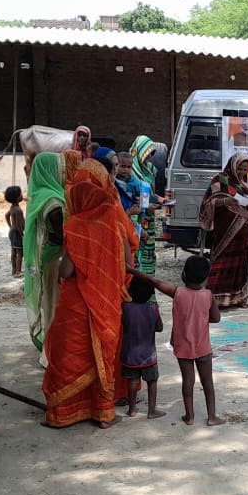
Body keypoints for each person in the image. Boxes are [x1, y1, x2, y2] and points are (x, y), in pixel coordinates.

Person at [42, 159, 136, 429]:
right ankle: (103, 414)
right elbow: (128, 264)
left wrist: (65, 253)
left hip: (76, 304)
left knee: (69, 356)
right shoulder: (116, 223)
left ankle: (63, 415)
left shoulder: (75, 228)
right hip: (106, 303)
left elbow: (66, 271)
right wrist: (111, 286)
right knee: (101, 355)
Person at [155, 255, 224, 426]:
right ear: (205, 278)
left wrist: (132, 270)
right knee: (207, 382)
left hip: (183, 347)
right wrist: (202, 317)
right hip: (203, 347)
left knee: (188, 381)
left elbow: (155, 282)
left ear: (183, 274)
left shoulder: (177, 293)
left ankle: (190, 417)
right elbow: (216, 318)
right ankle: (212, 417)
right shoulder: (208, 295)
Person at [200, 152, 248, 308]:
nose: (242, 172)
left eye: (245, 169)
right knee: (222, 262)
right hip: (225, 230)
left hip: (243, 230)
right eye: (239, 168)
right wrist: (225, 201)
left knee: (240, 264)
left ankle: (238, 299)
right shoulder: (220, 180)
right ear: (232, 166)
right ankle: (215, 300)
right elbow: (208, 202)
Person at [23, 152, 69, 357]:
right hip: (57, 257)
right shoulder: (53, 201)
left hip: (48, 255)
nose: (63, 173)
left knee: (50, 304)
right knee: (56, 305)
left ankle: (51, 349)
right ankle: (54, 353)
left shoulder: (39, 194)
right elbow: (61, 235)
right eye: (60, 169)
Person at [120, 274, 164, 419]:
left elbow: (122, 323)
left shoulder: (125, 307)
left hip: (130, 353)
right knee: (152, 381)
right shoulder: (153, 308)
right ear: (151, 293)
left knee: (132, 381)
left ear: (131, 290)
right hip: (148, 355)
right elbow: (159, 328)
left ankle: (132, 409)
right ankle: (151, 411)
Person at [130, 134, 165, 274]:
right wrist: (145, 207)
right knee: (136, 247)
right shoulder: (129, 170)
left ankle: (147, 280)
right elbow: (129, 197)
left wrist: (162, 200)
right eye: (146, 153)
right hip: (135, 217)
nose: (148, 157)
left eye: (151, 154)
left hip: (148, 218)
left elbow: (152, 193)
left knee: (148, 249)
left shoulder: (150, 169)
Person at [4, 185, 25, 277]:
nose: (22, 195)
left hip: (12, 232)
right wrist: (22, 234)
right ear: (17, 198)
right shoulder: (18, 210)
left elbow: (6, 215)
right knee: (20, 252)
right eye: (21, 194)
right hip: (17, 233)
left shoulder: (12, 207)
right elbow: (20, 224)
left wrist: (10, 226)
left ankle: (13, 270)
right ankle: (18, 271)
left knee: (13, 251)